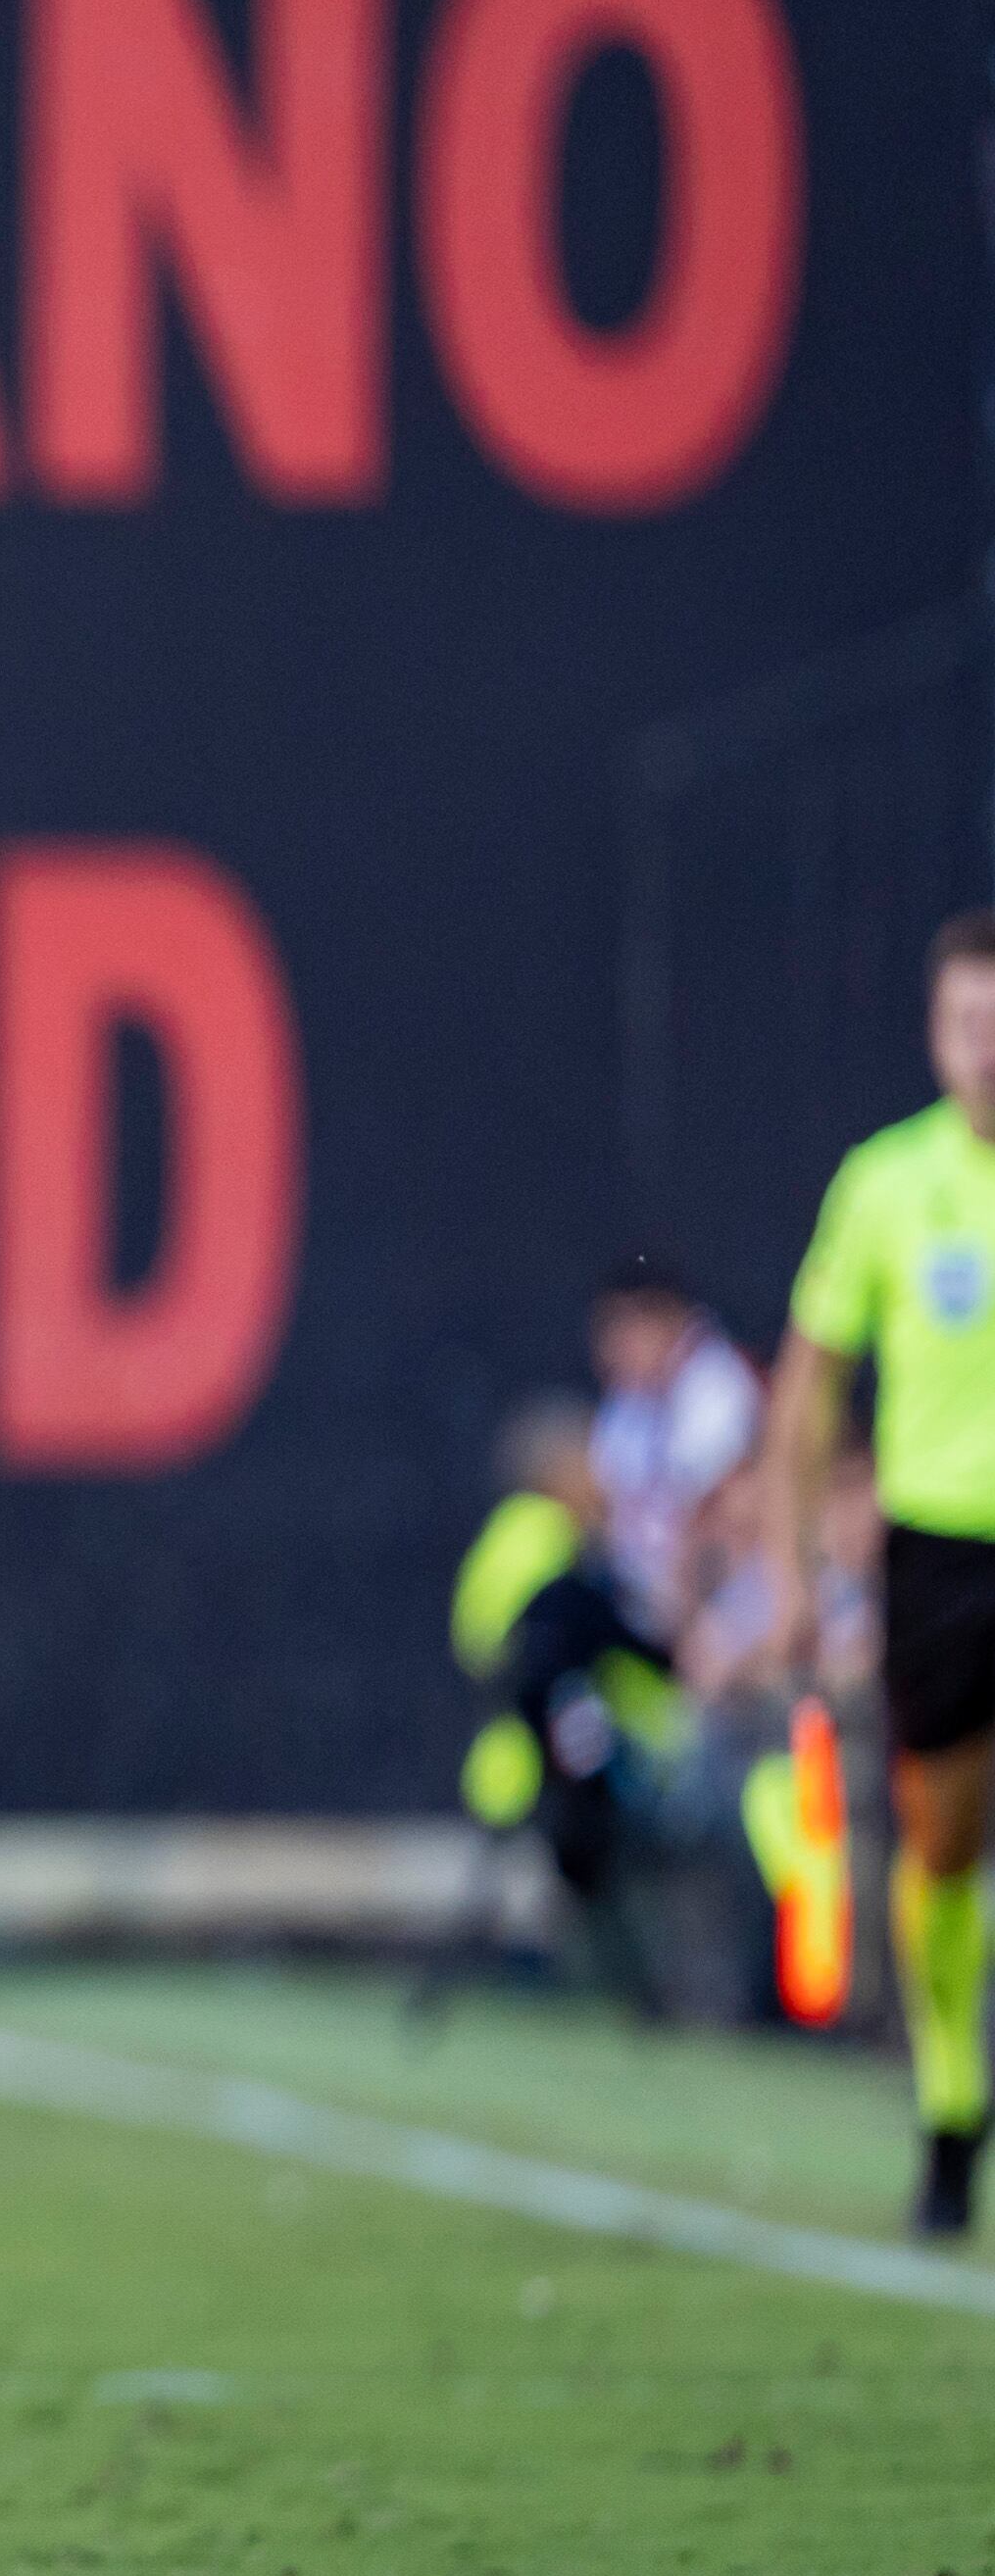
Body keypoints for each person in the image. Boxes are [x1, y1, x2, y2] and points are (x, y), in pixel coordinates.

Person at [768, 907, 995, 2237]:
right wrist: (792, 1568)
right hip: (943, 1549)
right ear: (935, 1032)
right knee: (945, 1838)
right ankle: (953, 2100)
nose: (988, 1051)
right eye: (970, 1025)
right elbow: (809, 1384)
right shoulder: (886, 1186)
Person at [447, 1394, 679, 2017]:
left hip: (509, 1755)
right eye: (589, 1462)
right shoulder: (550, 1540)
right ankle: (642, 1994)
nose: (602, 1477)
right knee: (612, 1850)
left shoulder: (508, 1537)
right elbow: (571, 1646)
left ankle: (614, 1983)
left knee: (573, 1871)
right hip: (546, 1754)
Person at [589, 1253, 760, 1642]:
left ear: (667, 1319)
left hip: (723, 1601)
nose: (614, 1346)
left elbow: (724, 1522)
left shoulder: (718, 1386)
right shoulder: (625, 1406)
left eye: (627, 1327)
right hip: (646, 1601)